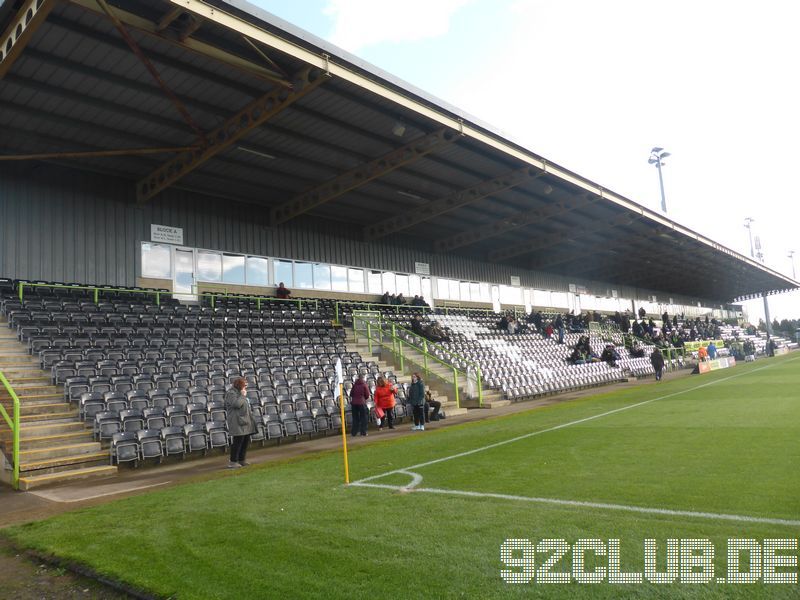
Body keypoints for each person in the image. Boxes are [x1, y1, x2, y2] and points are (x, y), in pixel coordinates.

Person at [225, 377, 256, 468]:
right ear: (239, 385)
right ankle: (233, 461)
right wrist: (242, 396)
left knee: (245, 441)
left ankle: (242, 459)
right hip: (236, 422)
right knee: (238, 441)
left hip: (245, 421)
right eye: (244, 385)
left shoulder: (240, 393)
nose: (245, 387)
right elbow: (236, 404)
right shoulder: (231, 393)